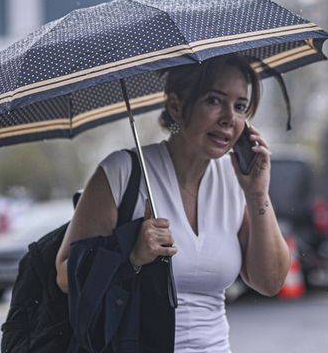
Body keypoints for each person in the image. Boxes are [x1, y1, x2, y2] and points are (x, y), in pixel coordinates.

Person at [56, 54, 290, 352]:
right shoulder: (121, 172)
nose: (229, 118)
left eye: (240, 106)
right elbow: (64, 274)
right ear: (176, 105)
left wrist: (257, 195)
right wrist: (131, 254)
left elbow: (270, 282)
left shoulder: (236, 180)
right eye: (214, 101)